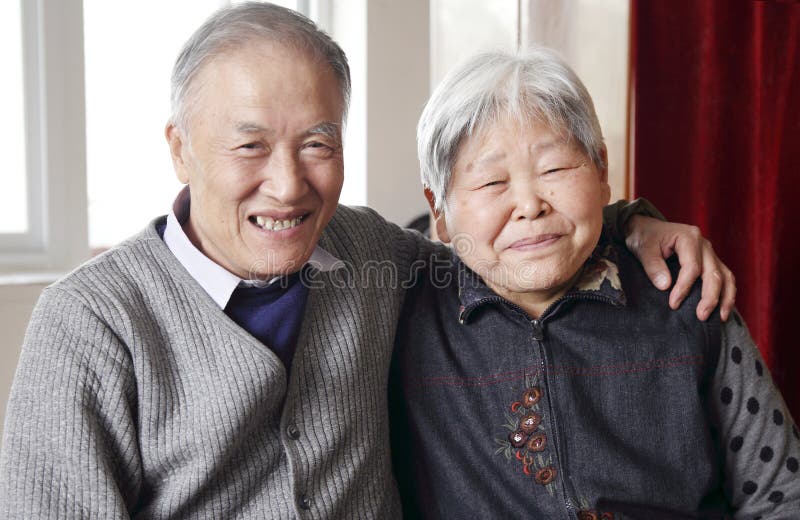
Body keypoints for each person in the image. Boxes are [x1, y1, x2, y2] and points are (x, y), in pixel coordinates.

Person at [0, 3, 735, 518]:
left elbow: (500, 239)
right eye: (250, 146)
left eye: (318, 144)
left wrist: (631, 224)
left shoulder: (369, 258)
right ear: (179, 148)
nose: (288, 186)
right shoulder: (92, 323)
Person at [389, 48, 799, 519]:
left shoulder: (683, 293)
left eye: (555, 169)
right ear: (439, 211)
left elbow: (781, 495)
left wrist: (632, 219)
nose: (529, 204)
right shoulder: (402, 313)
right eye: (491, 183)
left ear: (602, 172)